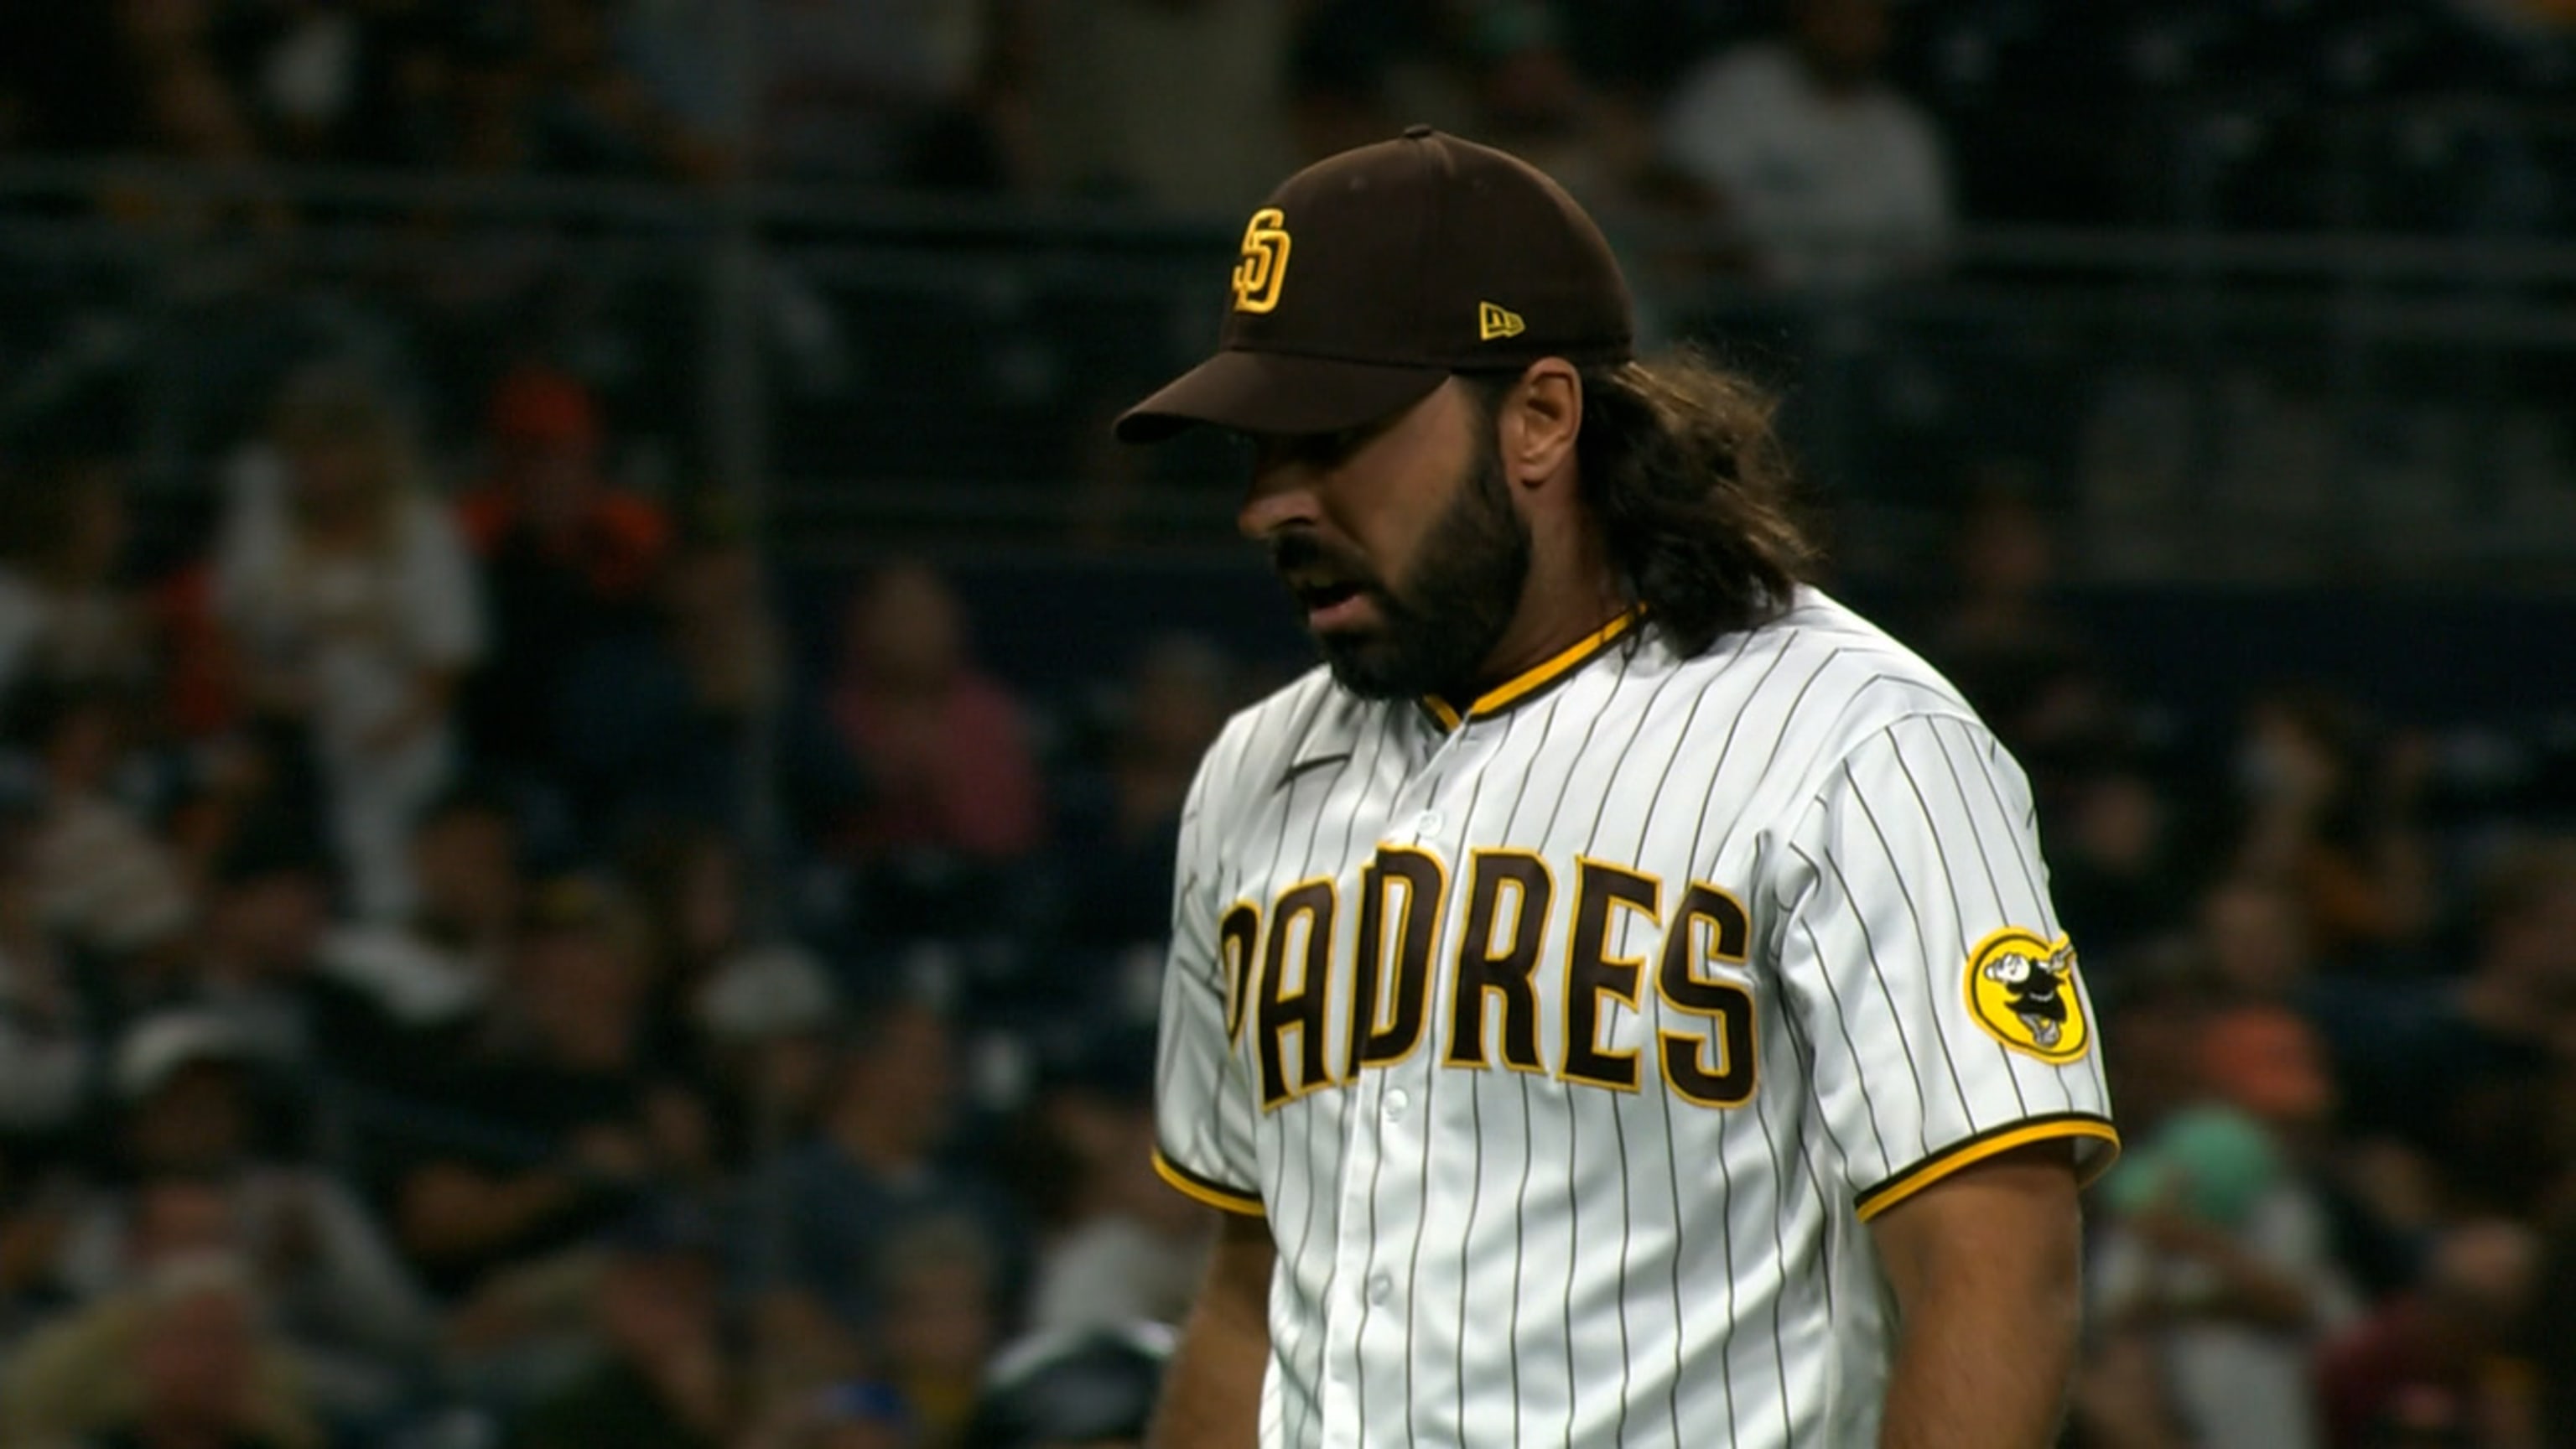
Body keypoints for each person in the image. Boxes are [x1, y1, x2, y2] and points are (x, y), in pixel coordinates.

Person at [1112, 127, 2116, 1446]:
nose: (1270, 504)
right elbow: (1250, 1295)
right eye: (1256, 449)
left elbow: (1996, 1263)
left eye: (1327, 434)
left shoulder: (1854, 742)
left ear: (1538, 418)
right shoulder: (1254, 774)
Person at [1658, 0, 1950, 286]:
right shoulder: (1734, 87)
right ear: (1802, 11)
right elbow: (1681, 190)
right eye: (1835, 11)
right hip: (1738, 305)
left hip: (1864, 319)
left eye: (1865, 15)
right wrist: (1748, 269)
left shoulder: (1905, 131)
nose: (1846, 27)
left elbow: (1926, 256)